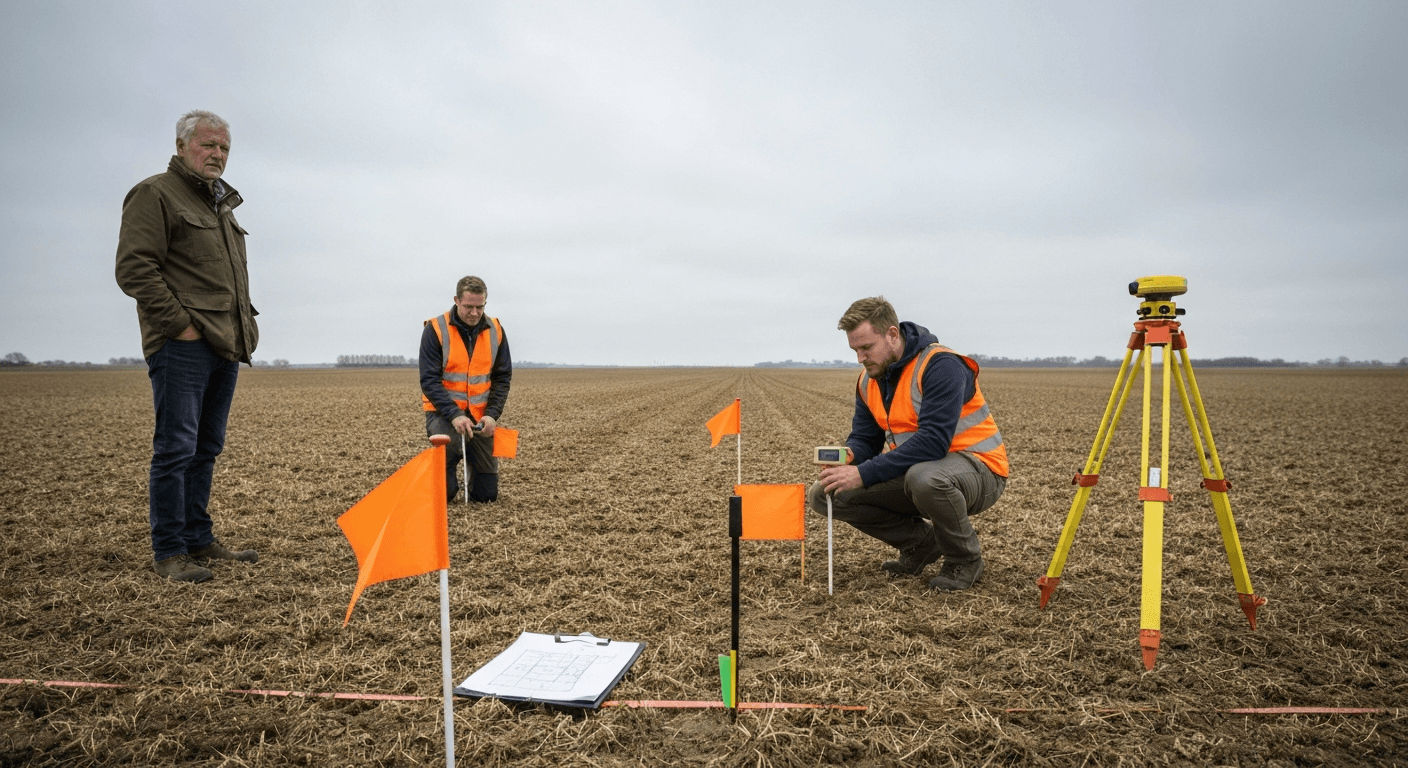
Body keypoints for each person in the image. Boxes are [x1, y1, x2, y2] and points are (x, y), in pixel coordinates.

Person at [115, 110, 259, 583]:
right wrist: (181, 326)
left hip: (224, 344)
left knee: (206, 447)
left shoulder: (221, 204)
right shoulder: (155, 194)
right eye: (208, 145)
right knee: (175, 449)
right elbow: (135, 269)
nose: (217, 154)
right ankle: (170, 551)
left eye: (224, 148)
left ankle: (198, 538)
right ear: (181, 147)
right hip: (183, 346)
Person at [810, 296, 1008, 591]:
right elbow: (866, 438)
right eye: (855, 350)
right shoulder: (868, 379)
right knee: (825, 493)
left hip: (980, 469)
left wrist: (863, 473)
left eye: (867, 348)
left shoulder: (941, 365)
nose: (861, 358)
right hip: (919, 471)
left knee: (924, 478)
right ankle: (921, 544)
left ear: (892, 334)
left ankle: (964, 560)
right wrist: (852, 455)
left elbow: (933, 442)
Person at [419, 275, 512, 502]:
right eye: (469, 306)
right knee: (444, 494)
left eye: (480, 307)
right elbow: (429, 380)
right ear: (457, 300)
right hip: (444, 414)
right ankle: (442, 473)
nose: (474, 313)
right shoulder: (435, 329)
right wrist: (455, 415)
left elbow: (502, 378)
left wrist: (492, 415)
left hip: (481, 416)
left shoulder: (496, 330)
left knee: (486, 496)